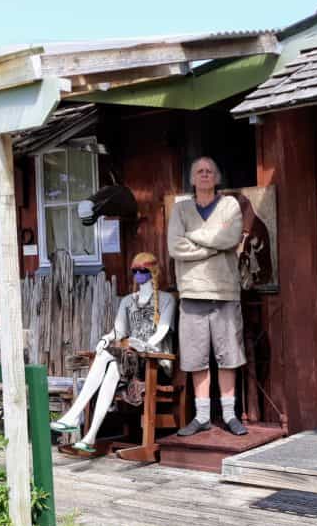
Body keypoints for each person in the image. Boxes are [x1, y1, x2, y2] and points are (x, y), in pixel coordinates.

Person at [50, 252, 175, 452]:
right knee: (110, 367)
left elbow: (163, 329)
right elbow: (118, 330)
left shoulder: (167, 299)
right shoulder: (128, 301)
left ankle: (74, 415)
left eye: (142, 271)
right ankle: (90, 436)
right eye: (135, 271)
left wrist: (146, 345)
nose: (138, 275)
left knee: (109, 356)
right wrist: (105, 338)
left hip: (153, 362)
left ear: (153, 272)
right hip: (128, 361)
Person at [167, 156, 248, 436]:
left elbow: (231, 237)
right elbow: (175, 246)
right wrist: (212, 247)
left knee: (229, 356)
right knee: (196, 358)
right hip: (191, 293)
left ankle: (229, 414)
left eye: (209, 171)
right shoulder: (180, 210)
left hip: (224, 292)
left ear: (217, 177)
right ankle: (201, 417)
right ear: (192, 179)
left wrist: (196, 237)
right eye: (199, 171)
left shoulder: (230, 206)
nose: (204, 175)